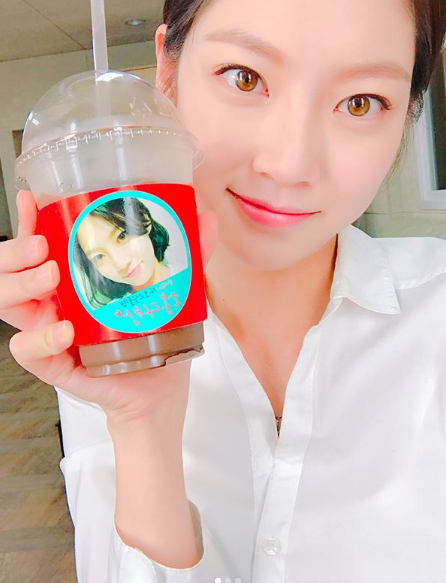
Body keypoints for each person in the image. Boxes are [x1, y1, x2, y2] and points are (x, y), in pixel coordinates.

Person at [1, 0, 446, 581]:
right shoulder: (109, 333)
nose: (289, 165)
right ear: (168, 74)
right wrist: (145, 427)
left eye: (360, 102)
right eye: (245, 77)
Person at [73, 197, 173, 309]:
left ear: (144, 218)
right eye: (99, 256)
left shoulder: (187, 276)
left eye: (122, 236)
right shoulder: (112, 314)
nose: (120, 264)